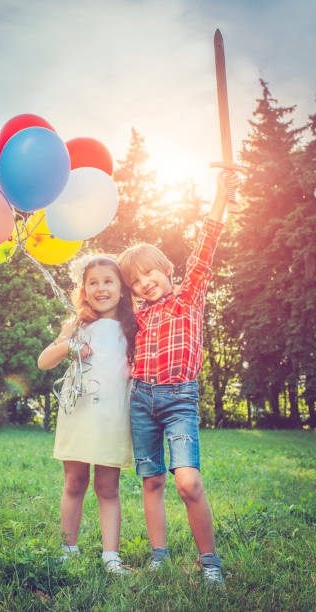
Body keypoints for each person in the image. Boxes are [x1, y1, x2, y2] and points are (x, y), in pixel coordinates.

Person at [118, 171, 239, 586]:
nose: (144, 283)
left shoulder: (188, 297)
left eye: (149, 273)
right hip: (141, 401)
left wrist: (221, 196)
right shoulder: (137, 316)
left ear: (165, 268)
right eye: (135, 281)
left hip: (179, 399)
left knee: (187, 481)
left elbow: (206, 247)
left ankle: (210, 564)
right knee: (151, 480)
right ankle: (159, 556)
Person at [37, 255, 137, 574]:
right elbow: (43, 361)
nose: (100, 288)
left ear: (122, 289)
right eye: (92, 282)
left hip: (112, 414)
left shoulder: (131, 326)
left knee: (108, 486)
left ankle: (111, 556)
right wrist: (70, 348)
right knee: (74, 481)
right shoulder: (77, 324)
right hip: (78, 412)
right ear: (83, 289)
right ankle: (69, 548)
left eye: (108, 281)